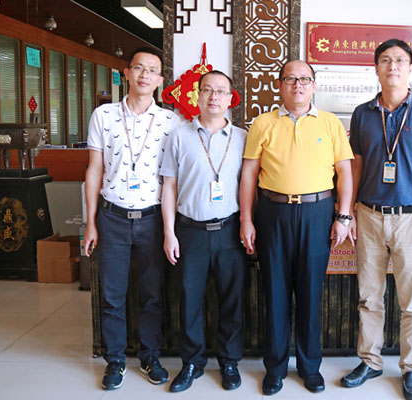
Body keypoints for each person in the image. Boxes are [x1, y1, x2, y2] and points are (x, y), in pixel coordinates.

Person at [340, 38, 412, 400]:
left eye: (400, 60)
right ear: (376, 68)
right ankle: (370, 361)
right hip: (369, 215)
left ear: (411, 68)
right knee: (369, 297)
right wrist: (350, 212)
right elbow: (355, 166)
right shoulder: (363, 113)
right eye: (385, 60)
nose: (393, 66)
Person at [238, 60, 354, 396]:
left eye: (304, 79)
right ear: (280, 85)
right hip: (272, 211)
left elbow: (345, 172)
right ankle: (275, 368)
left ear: (314, 85)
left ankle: (309, 366)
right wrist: (246, 219)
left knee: (311, 292)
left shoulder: (330, 123)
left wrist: (343, 216)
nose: (298, 85)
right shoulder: (263, 123)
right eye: (290, 79)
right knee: (274, 291)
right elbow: (249, 174)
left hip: (318, 213)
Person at [84, 46, 179, 390]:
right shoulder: (104, 115)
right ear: (126, 73)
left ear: (160, 80)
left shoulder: (171, 122)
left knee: (152, 294)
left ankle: (150, 356)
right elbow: (94, 170)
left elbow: (172, 180)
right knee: (112, 294)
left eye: (151, 70)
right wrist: (90, 222)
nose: (144, 75)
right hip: (112, 217)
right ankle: (115, 360)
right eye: (138, 68)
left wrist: (169, 229)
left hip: (152, 219)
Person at [160, 70, 247, 392]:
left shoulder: (243, 138)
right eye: (207, 90)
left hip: (230, 230)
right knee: (189, 299)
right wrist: (169, 233)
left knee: (231, 300)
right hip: (190, 231)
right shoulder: (179, 136)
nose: (214, 96)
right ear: (197, 95)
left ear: (230, 98)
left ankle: (229, 361)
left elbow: (250, 186)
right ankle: (192, 362)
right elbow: (169, 186)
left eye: (221, 91)